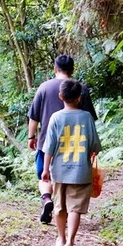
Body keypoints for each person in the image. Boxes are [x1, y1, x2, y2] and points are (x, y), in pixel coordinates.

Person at [27, 55, 97, 224]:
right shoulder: (80, 88)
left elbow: (34, 116)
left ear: (55, 69)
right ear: (72, 70)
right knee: (70, 177)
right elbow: (89, 118)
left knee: (44, 176)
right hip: (75, 143)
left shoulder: (44, 87)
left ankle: (47, 199)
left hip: (46, 142)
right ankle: (68, 211)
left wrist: (31, 136)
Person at [41, 79, 101, 246]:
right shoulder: (87, 117)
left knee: (60, 207)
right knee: (75, 209)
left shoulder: (55, 117)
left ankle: (61, 238)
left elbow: (49, 147)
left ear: (60, 96)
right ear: (80, 97)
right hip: (81, 171)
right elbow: (95, 146)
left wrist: (45, 169)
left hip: (59, 171)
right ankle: (70, 244)